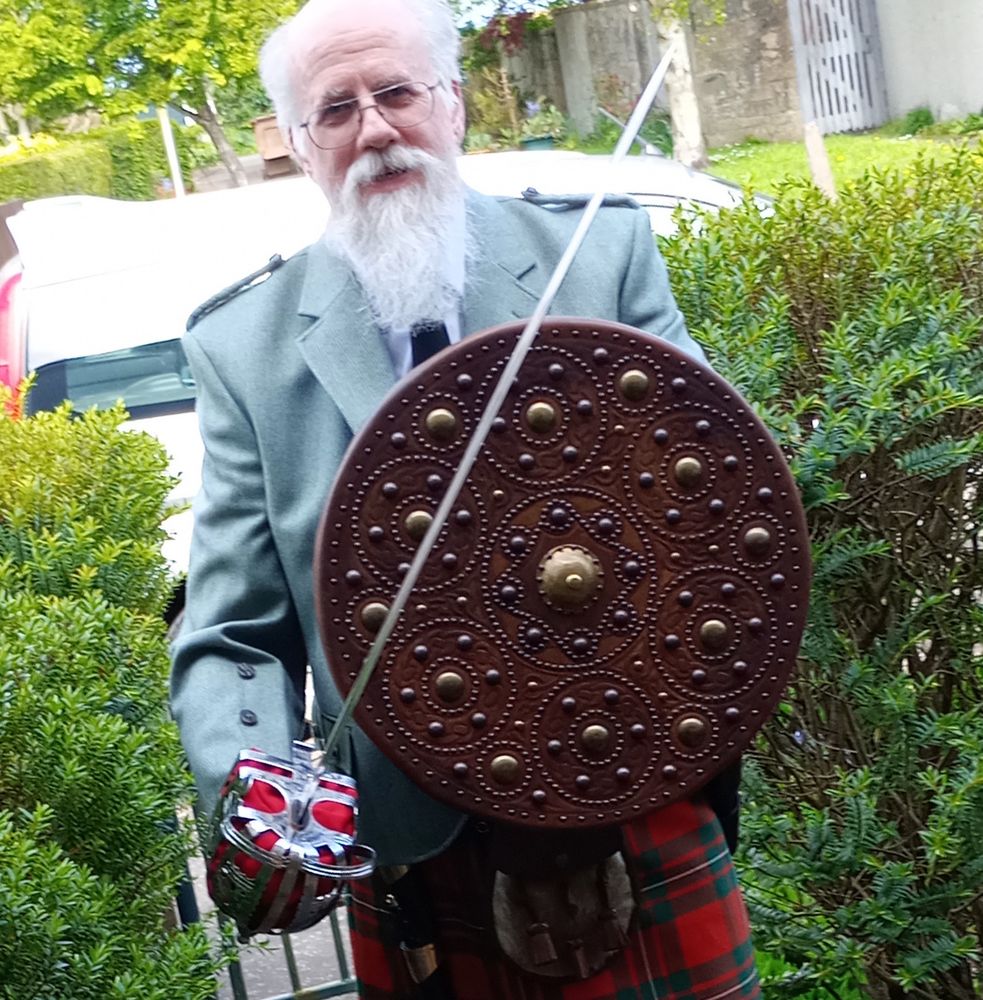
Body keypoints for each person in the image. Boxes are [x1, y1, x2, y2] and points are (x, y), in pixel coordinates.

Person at [171, 0, 760, 996]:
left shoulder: (600, 260)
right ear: (300, 147)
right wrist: (259, 797)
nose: (373, 129)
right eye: (335, 110)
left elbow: (712, 517)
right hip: (416, 851)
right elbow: (233, 632)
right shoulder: (245, 350)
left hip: (629, 792)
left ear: (452, 105)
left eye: (397, 92)